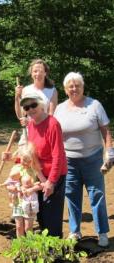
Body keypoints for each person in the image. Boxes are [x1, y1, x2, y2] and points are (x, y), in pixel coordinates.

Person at [54, 72, 114, 247]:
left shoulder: (94, 105)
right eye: (70, 86)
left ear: (83, 86)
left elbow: (106, 131)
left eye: (77, 85)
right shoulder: (60, 109)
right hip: (69, 161)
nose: (74, 89)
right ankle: (74, 231)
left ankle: (102, 232)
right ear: (65, 90)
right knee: (71, 196)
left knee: (97, 195)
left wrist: (109, 151)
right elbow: (55, 134)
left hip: (92, 159)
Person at [4, 91, 67, 237]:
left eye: (33, 105)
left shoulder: (52, 124)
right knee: (41, 214)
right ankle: (45, 249)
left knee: (52, 215)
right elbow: (30, 154)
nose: (30, 109)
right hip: (37, 174)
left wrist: (51, 182)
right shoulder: (31, 125)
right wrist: (13, 158)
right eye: (26, 107)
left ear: (42, 105)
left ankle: (55, 251)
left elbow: (58, 155)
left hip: (54, 175)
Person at [1, 142, 46, 237]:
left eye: (27, 161)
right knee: (18, 226)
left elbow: (44, 184)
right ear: (20, 157)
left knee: (28, 227)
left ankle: (29, 248)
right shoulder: (16, 168)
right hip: (18, 202)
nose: (24, 163)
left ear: (32, 159)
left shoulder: (35, 170)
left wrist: (32, 189)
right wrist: (12, 188)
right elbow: (8, 183)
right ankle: (20, 247)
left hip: (30, 202)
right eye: (23, 160)